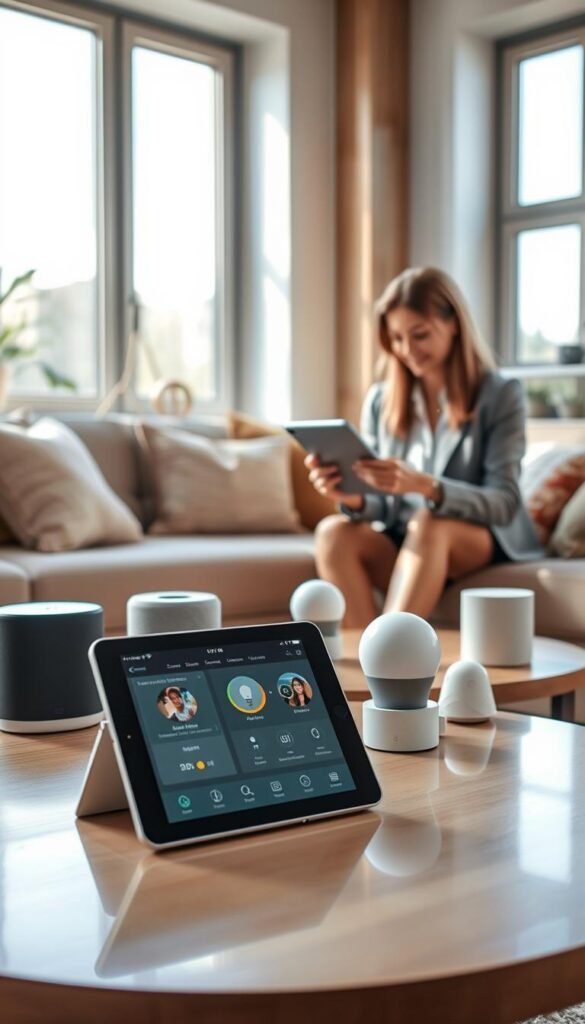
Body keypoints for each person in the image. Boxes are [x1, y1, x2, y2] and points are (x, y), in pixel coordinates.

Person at [307, 266, 543, 628]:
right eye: (396, 339)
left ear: (453, 324)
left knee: (430, 521)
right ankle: (367, 669)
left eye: (419, 335)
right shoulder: (381, 400)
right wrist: (352, 497)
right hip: (408, 541)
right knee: (333, 533)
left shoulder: (500, 394)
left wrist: (425, 486)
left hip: (477, 541)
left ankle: (389, 652)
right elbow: (383, 506)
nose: (407, 351)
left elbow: (504, 502)